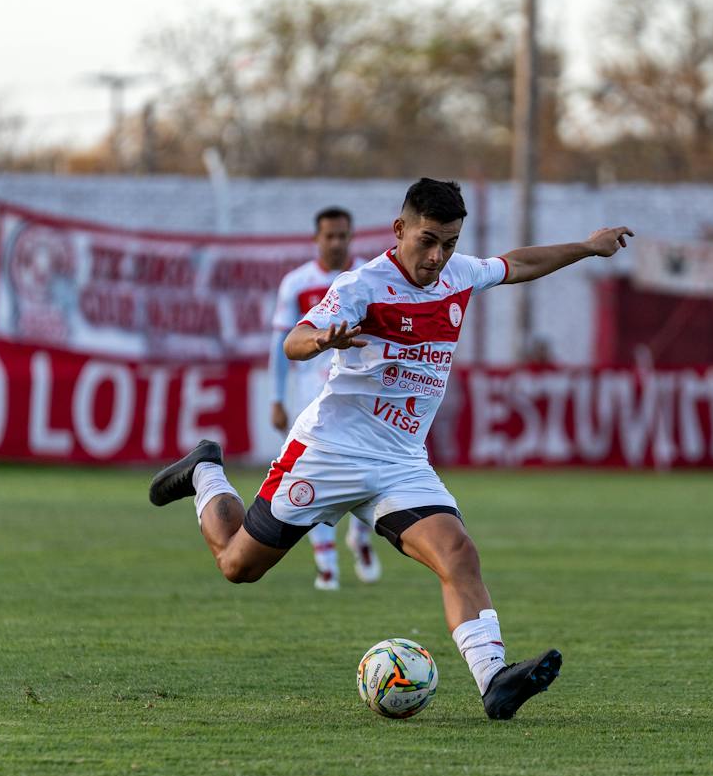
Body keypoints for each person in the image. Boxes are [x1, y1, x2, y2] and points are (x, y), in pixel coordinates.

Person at [150, 177, 633, 720]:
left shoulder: (457, 275)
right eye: (428, 240)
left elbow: (515, 264)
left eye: (449, 243)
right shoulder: (364, 285)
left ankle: (494, 679)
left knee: (459, 553)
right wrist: (322, 340)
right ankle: (205, 471)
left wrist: (587, 248)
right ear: (399, 229)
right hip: (329, 452)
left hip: (401, 460)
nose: (437, 256)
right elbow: (294, 339)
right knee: (239, 565)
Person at [269, 205, 383, 591]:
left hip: (359, 398)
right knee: (312, 478)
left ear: (352, 237)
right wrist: (276, 397)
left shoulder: (369, 277)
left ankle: (360, 539)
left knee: (367, 474)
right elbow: (280, 345)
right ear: (317, 238)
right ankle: (327, 565)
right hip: (310, 398)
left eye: (343, 236)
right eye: (329, 236)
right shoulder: (297, 284)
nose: (336, 242)